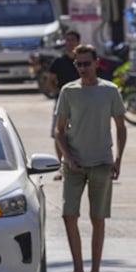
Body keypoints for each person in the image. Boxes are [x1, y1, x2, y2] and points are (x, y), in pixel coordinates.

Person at [54, 44, 127, 272]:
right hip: (74, 165)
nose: (83, 68)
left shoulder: (110, 91)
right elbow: (59, 131)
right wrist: (67, 157)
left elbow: (121, 126)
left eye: (87, 63)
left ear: (97, 63)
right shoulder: (68, 92)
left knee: (98, 218)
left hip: (101, 163)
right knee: (69, 215)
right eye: (79, 64)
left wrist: (118, 159)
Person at [48, 30, 82, 180]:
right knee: (58, 133)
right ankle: (62, 166)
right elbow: (50, 82)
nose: (70, 43)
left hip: (81, 102)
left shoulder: (83, 62)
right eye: (67, 40)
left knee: (80, 133)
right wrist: (59, 93)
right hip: (62, 102)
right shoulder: (58, 62)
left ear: (78, 42)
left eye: (73, 40)